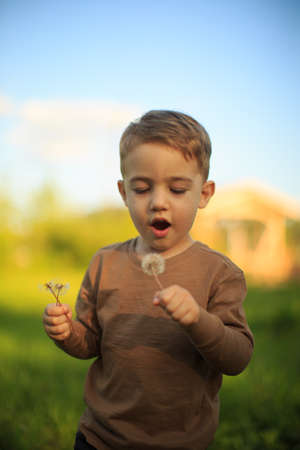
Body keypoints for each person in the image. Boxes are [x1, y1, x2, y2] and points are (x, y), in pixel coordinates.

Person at [43, 110, 254, 450]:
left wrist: (198, 320)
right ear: (123, 192)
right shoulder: (104, 263)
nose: (158, 202)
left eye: (177, 189)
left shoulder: (220, 273)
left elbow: (238, 358)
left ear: (204, 193)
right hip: (100, 438)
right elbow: (92, 342)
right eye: (141, 189)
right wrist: (67, 333)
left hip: (182, 441)